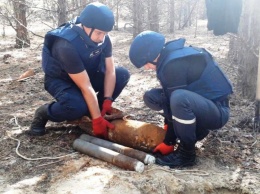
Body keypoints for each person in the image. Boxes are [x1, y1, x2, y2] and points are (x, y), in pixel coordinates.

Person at [129, 31, 233, 168]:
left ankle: (186, 155)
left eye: (145, 63)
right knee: (152, 97)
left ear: (152, 54)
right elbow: (168, 95)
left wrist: (169, 142)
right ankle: (193, 129)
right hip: (203, 103)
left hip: (217, 111)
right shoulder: (168, 57)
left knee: (179, 98)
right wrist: (168, 123)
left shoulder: (173, 65)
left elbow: (175, 101)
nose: (146, 67)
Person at [28, 2, 130, 139]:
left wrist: (107, 99)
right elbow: (85, 86)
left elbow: (110, 70)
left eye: (105, 33)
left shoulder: (103, 38)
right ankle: (44, 112)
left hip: (87, 74)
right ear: (85, 26)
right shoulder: (66, 45)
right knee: (76, 107)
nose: (102, 37)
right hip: (62, 80)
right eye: (99, 33)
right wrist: (97, 121)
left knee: (122, 74)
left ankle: (94, 110)